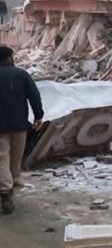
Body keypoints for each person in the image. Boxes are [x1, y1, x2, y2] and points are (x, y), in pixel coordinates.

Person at [0, 46, 43, 215]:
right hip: (19, 124)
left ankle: (5, 190)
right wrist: (38, 116)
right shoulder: (21, 74)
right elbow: (34, 96)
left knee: (2, 157)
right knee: (16, 157)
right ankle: (11, 184)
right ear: (10, 57)